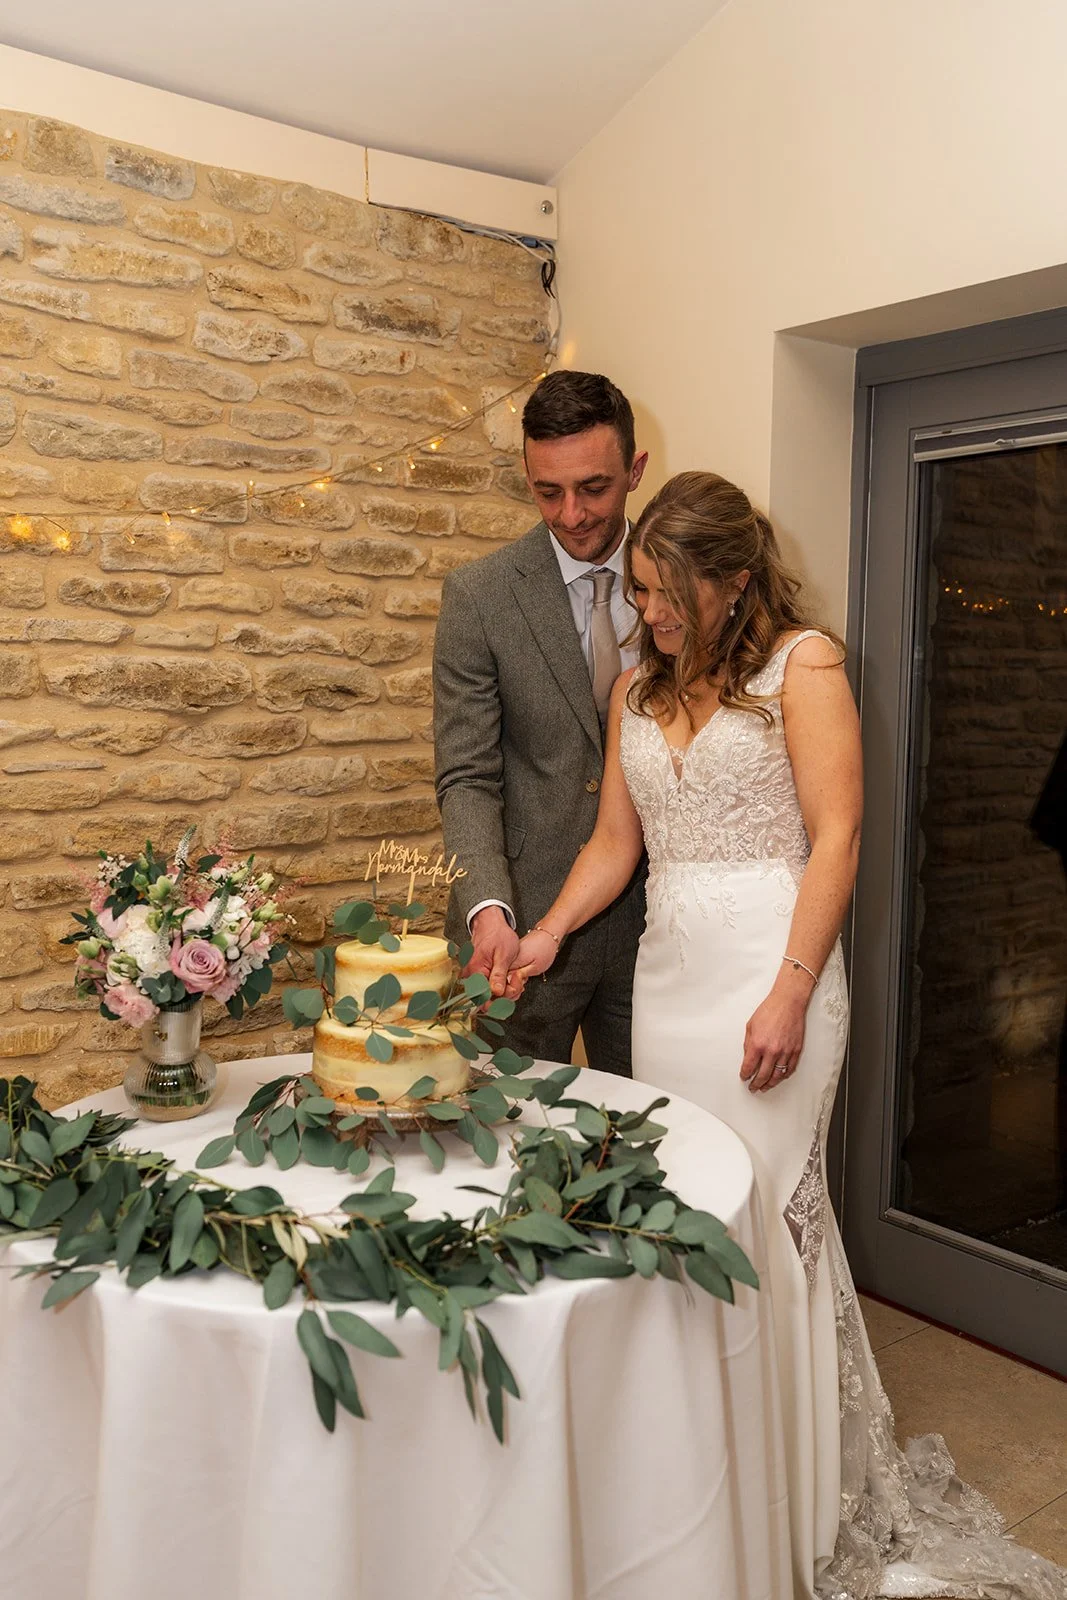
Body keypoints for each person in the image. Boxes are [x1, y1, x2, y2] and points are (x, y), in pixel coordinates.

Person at [510, 472, 1064, 1600]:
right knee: (688, 1225)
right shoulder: (631, 692)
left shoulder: (801, 664)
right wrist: (544, 933)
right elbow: (616, 844)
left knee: (772, 1222)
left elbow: (838, 833)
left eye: (668, 593)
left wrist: (790, 989)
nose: (650, 612)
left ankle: (800, 1496)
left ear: (731, 583)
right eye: (642, 592)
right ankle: (703, 1475)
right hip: (670, 986)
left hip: (777, 977)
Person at [432, 370, 648, 1076]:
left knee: (657, 1141)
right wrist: (486, 906)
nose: (571, 514)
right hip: (521, 925)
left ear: (634, 470)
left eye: (593, 487)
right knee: (510, 1142)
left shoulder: (681, 577)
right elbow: (466, 775)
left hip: (660, 924)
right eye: (546, 491)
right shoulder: (479, 595)